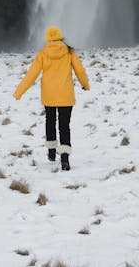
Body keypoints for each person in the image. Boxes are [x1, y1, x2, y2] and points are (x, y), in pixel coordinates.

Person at [13, 25, 90, 171]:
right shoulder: (69, 52)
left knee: (50, 121)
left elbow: (31, 75)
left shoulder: (43, 53)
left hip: (49, 95)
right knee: (64, 125)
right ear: (60, 37)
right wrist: (86, 85)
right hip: (66, 96)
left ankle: (51, 152)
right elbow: (80, 70)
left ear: (48, 38)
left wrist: (19, 92)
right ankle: (65, 158)